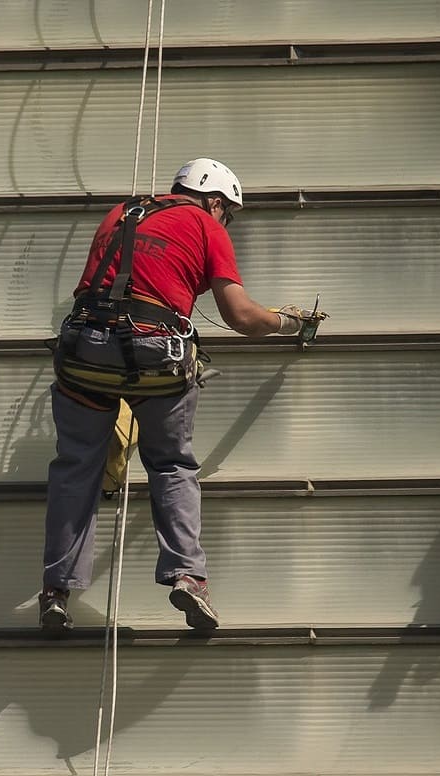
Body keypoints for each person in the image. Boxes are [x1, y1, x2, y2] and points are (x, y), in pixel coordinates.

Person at [39, 158, 320, 632]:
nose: (224, 221)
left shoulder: (119, 214)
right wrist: (290, 322)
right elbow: (242, 317)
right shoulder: (205, 226)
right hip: (154, 356)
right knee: (170, 463)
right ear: (214, 200)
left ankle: (55, 591)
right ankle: (188, 577)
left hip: (83, 352)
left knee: (76, 468)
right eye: (226, 212)